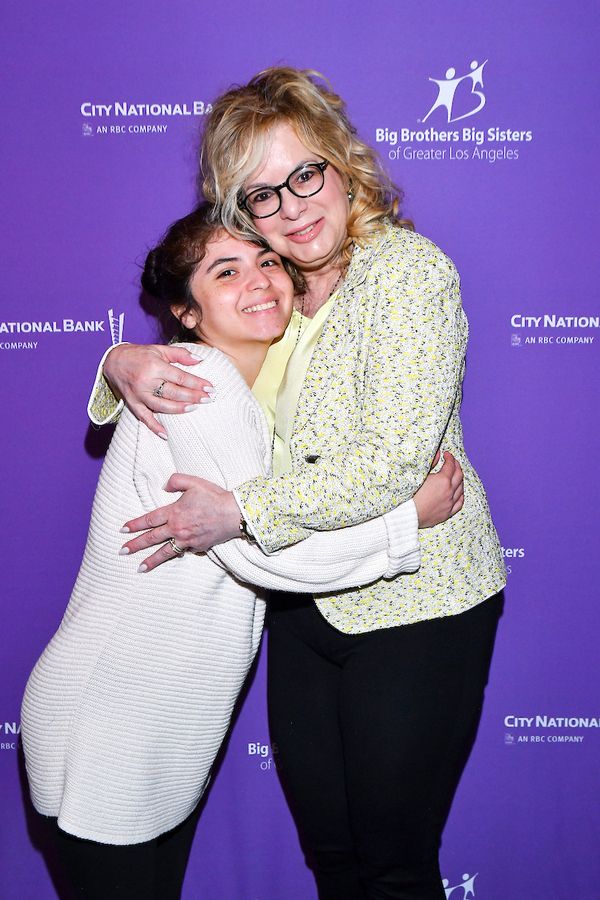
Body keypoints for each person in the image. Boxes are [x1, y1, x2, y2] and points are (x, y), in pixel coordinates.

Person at [90, 68, 506, 900]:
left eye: (305, 174)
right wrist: (117, 360)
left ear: (343, 162)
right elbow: (195, 356)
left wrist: (241, 511)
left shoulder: (408, 272)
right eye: (263, 194)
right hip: (305, 600)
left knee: (391, 862)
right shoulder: (273, 292)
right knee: (334, 858)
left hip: (417, 598)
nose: (293, 208)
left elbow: (389, 465)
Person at [22, 204, 463, 900]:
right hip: (114, 720)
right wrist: (406, 523)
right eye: (225, 271)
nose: (259, 280)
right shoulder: (206, 383)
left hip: (143, 719)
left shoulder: (248, 388)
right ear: (186, 313)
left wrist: (114, 361)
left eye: (266, 261)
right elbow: (263, 556)